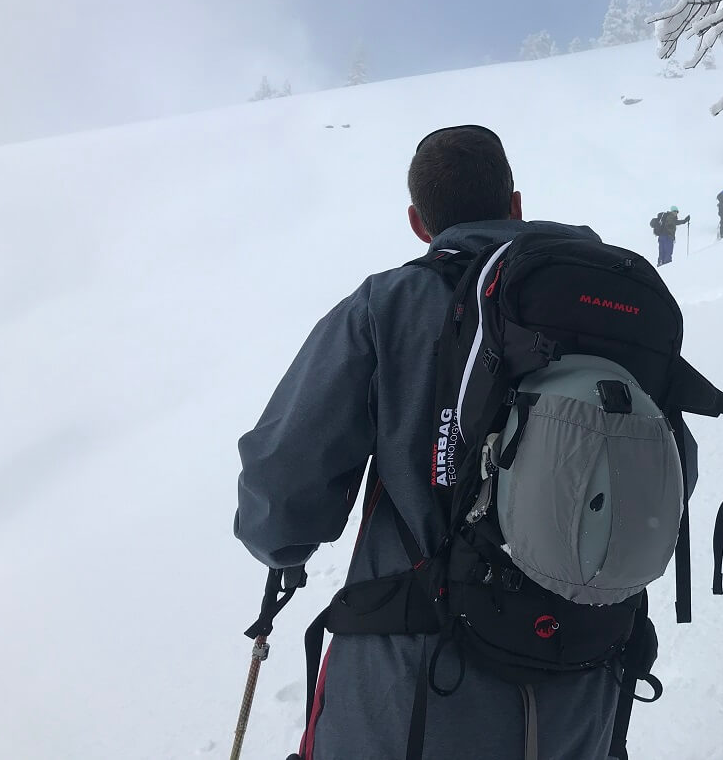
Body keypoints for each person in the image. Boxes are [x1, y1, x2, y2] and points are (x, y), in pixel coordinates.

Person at [235, 125, 621, 760]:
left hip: (417, 675)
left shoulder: (388, 304)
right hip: (588, 668)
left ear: (419, 223)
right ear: (516, 205)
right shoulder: (607, 306)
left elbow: (285, 482)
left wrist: (281, 551)